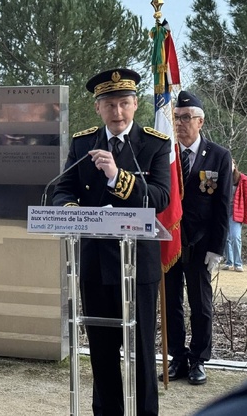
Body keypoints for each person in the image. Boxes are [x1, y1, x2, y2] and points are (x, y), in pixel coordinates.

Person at [52, 68, 171, 416]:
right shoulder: (83, 142)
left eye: (124, 104)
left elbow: (160, 199)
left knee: (141, 350)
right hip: (93, 261)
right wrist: (73, 213)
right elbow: (62, 190)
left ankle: (144, 412)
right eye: (109, 105)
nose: (117, 112)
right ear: (97, 108)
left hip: (137, 265)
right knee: (101, 350)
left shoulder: (155, 143)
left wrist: (118, 176)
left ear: (135, 105)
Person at [161, 91, 232, 386]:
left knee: (200, 305)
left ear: (200, 121)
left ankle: (199, 359)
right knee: (171, 303)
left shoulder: (218, 155)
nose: (180, 123)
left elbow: (223, 205)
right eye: (176, 117)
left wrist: (217, 248)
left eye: (186, 117)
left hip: (201, 243)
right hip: (169, 240)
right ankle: (177, 358)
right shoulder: (164, 153)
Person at [222, 158, 247, 272]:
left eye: (231, 164)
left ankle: (238, 263)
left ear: (234, 165)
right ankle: (229, 262)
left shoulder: (242, 179)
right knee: (225, 237)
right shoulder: (221, 178)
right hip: (223, 211)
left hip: (236, 211)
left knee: (235, 236)